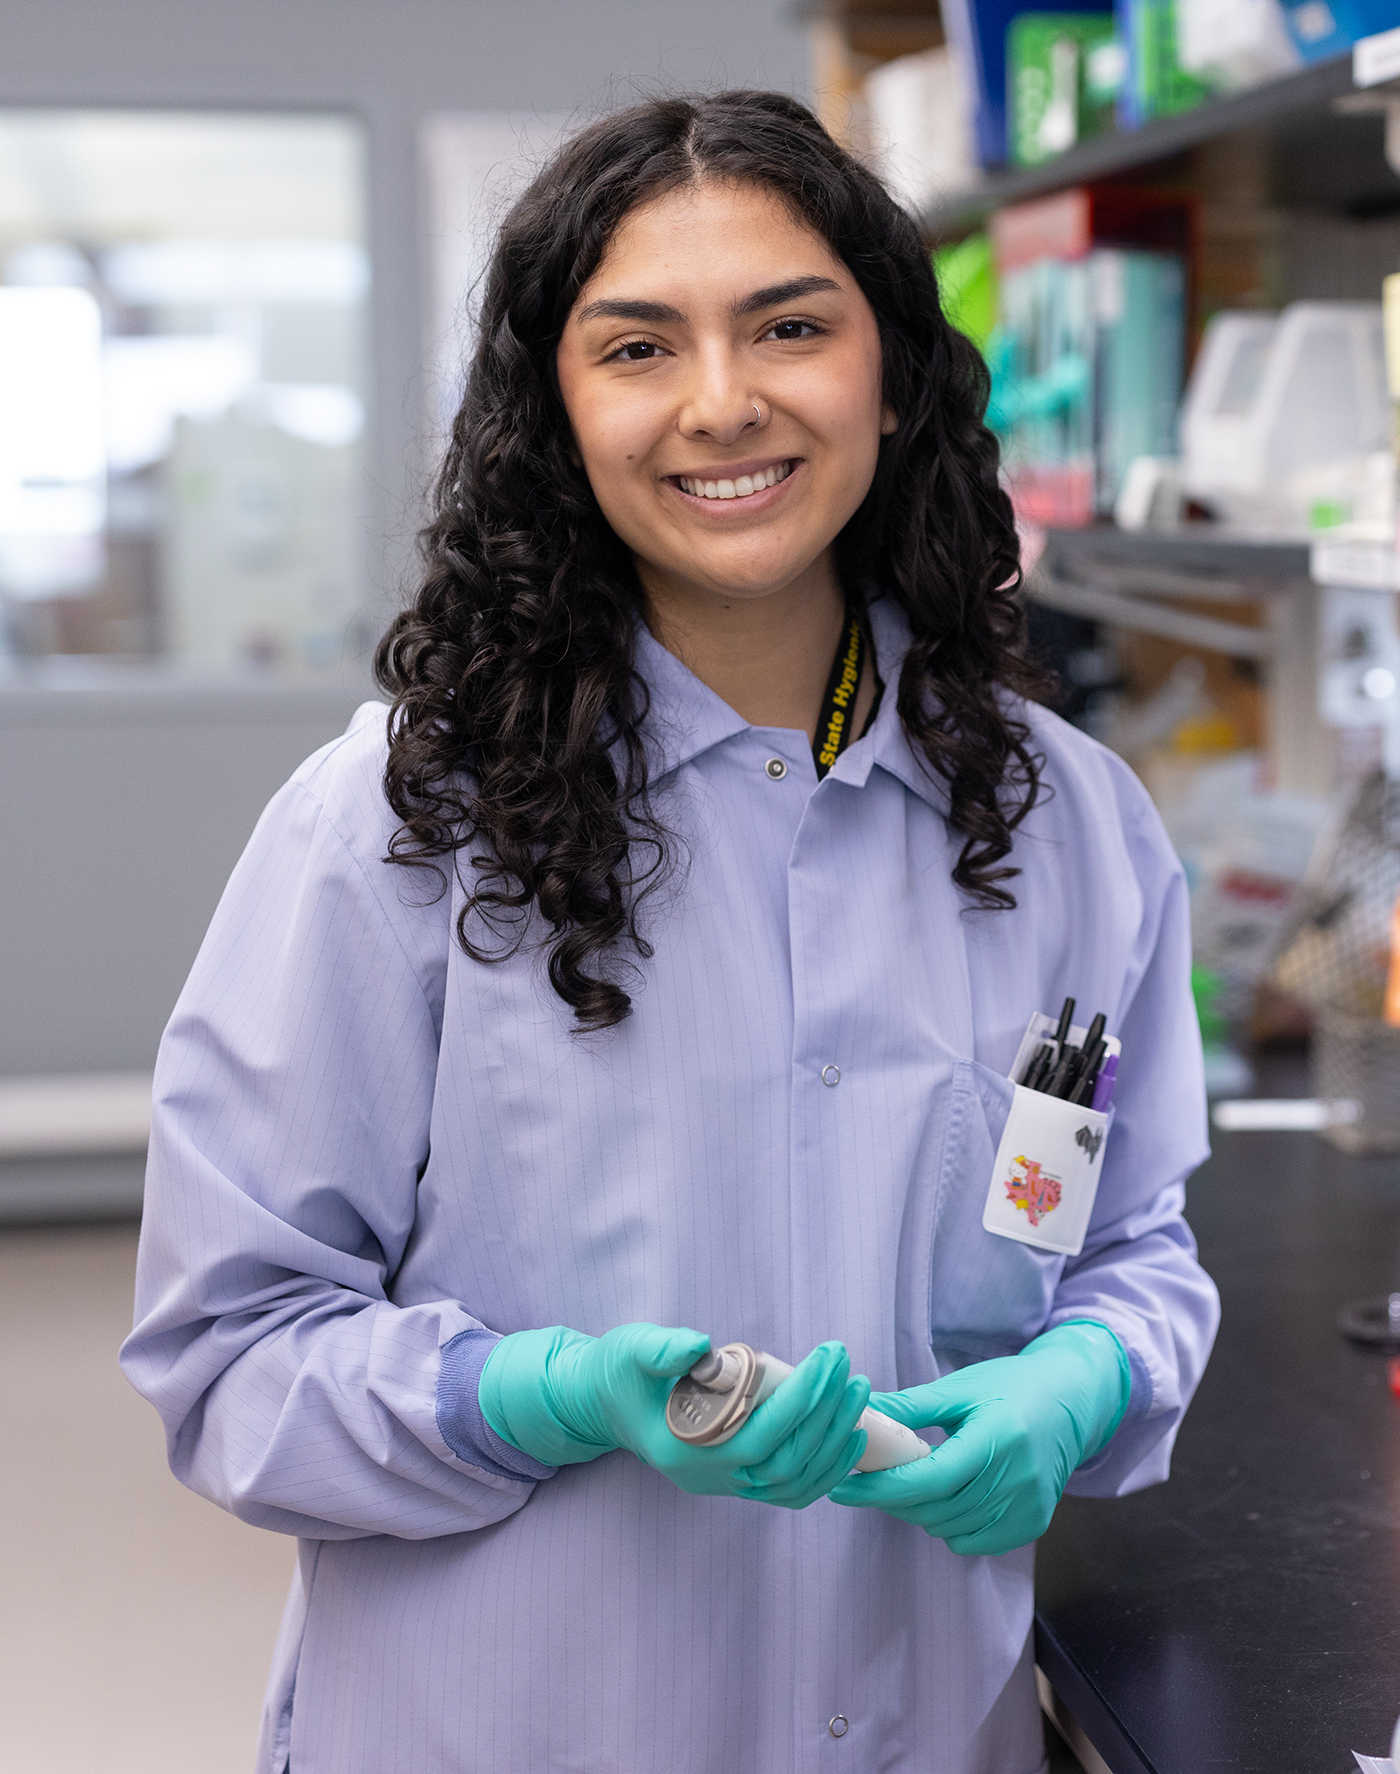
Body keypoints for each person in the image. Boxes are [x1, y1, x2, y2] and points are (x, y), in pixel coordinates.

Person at [122, 91, 1219, 1774]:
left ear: (896, 371)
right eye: (637, 347)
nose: (724, 404)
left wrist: (1079, 1376)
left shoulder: (1069, 825)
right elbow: (231, 1353)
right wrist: (529, 1396)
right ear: (557, 413)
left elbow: (1138, 1244)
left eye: (791, 326)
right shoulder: (398, 829)